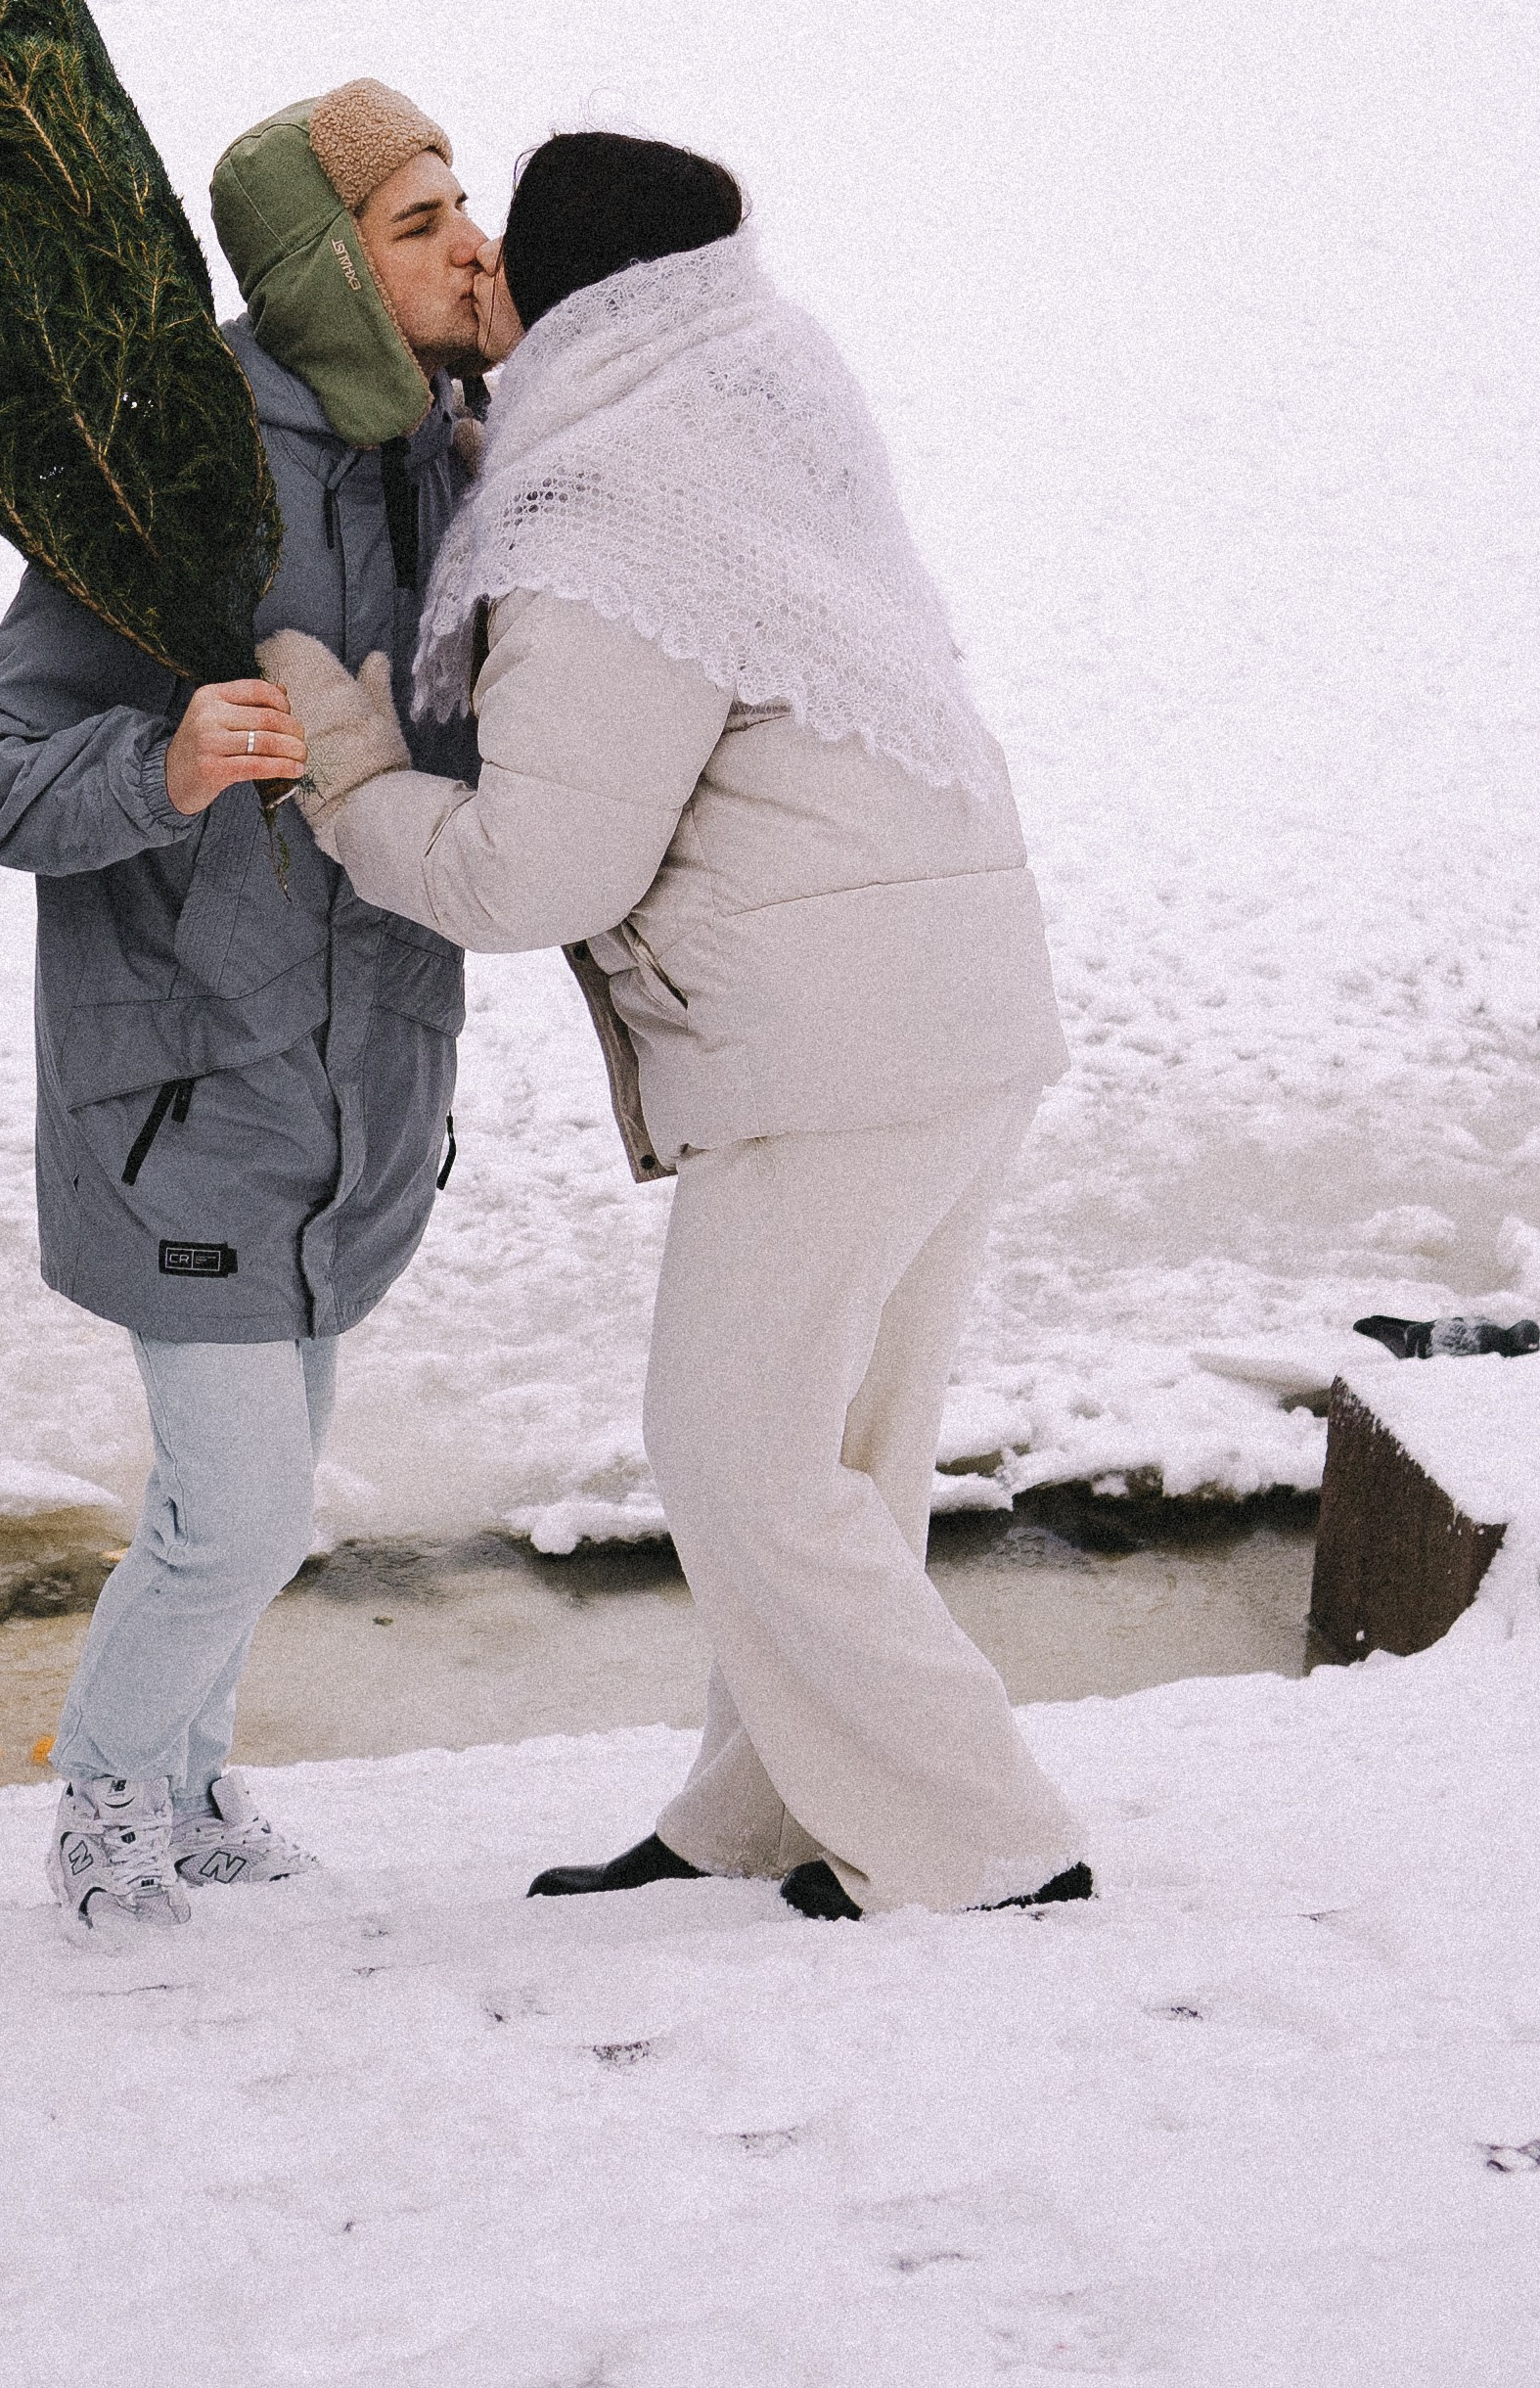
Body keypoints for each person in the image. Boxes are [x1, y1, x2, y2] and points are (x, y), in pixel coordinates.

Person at [261, 131, 1091, 1924]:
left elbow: (528, 870)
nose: (473, 267)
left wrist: (344, 771)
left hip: (834, 1046)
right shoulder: (754, 381)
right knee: (842, 1453)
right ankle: (768, 1810)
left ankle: (987, 1845)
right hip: (956, 997)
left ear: (573, 301)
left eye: (499, 252)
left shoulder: (598, 516)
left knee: (736, 1454)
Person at [0, 80, 492, 1945]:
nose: (465, 244)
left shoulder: (449, 461)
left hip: (361, 1089)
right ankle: (103, 1795)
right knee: (239, 1509)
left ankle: (187, 1783)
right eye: (417, 225)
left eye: (459, 206)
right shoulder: (170, 468)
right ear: (325, 266)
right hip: (180, 1094)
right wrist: (160, 760)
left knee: (259, 1492)